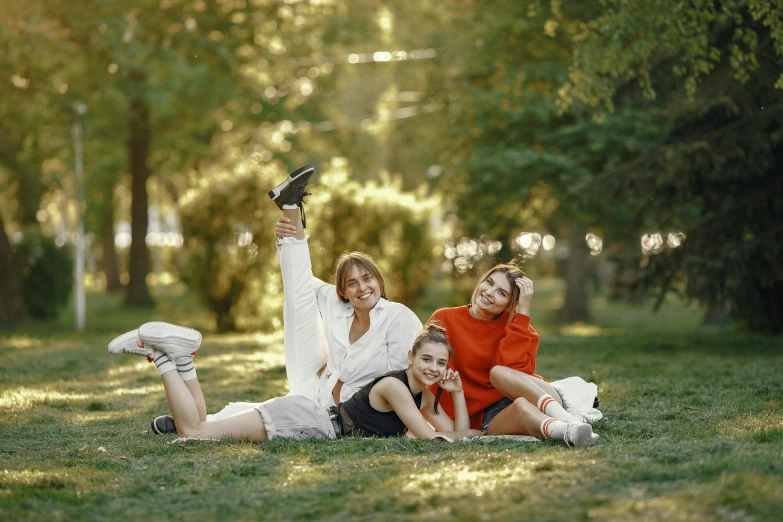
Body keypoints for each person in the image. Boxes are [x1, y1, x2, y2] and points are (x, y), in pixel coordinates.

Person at [142, 164, 422, 434]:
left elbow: (405, 378)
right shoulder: (340, 306)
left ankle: (207, 421)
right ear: (344, 291)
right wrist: (287, 237)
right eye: (352, 283)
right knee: (299, 287)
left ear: (379, 281)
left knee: (274, 412)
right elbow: (299, 281)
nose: (362, 287)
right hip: (317, 381)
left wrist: (413, 423)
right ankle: (291, 205)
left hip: (345, 410)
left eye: (367, 278)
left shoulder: (399, 317)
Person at [108, 321, 481, 442]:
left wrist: (458, 393)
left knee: (201, 426)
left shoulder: (423, 398)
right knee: (192, 434)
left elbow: (458, 435)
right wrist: (441, 431)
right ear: (410, 359)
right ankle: (161, 358)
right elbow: (432, 440)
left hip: (309, 419)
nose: (433, 368)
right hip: (308, 421)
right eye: (426, 359)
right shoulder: (397, 388)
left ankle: (182, 359)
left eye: (441, 363)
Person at [426, 263, 600, 447]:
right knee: (521, 407)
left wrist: (523, 314)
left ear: (511, 304)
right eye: (489, 282)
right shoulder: (444, 319)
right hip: (494, 415)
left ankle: (565, 417)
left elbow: (517, 374)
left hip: (537, 398)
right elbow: (427, 365)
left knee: (498, 373)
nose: (489, 292)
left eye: (501, 293)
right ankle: (569, 430)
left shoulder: (522, 329)